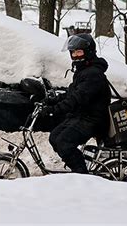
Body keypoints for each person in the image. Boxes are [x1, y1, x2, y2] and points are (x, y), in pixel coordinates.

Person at [41, 33, 111, 174]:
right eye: (73, 52)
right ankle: (77, 164)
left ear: (89, 51)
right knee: (54, 137)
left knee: (64, 142)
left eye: (79, 51)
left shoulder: (93, 74)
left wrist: (54, 110)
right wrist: (51, 100)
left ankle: (82, 176)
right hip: (81, 116)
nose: (75, 55)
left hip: (93, 119)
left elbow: (77, 99)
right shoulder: (83, 71)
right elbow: (71, 93)